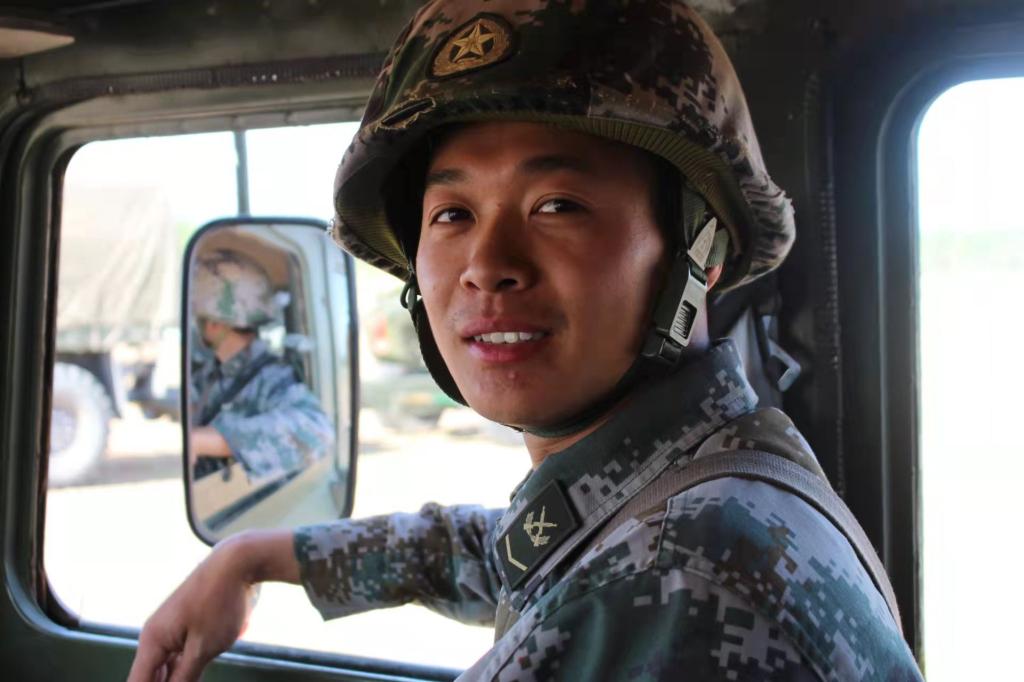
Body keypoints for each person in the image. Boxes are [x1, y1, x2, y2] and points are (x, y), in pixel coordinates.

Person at [128, 2, 925, 681]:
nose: (486, 265)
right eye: (452, 215)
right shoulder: (703, 471)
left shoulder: (676, 581)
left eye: (557, 205)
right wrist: (255, 557)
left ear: (699, 250)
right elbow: (510, 549)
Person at [189, 248, 334, 481]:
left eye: (198, 319)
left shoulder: (273, 377)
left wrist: (206, 441)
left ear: (214, 325)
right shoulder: (212, 373)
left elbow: (317, 431)